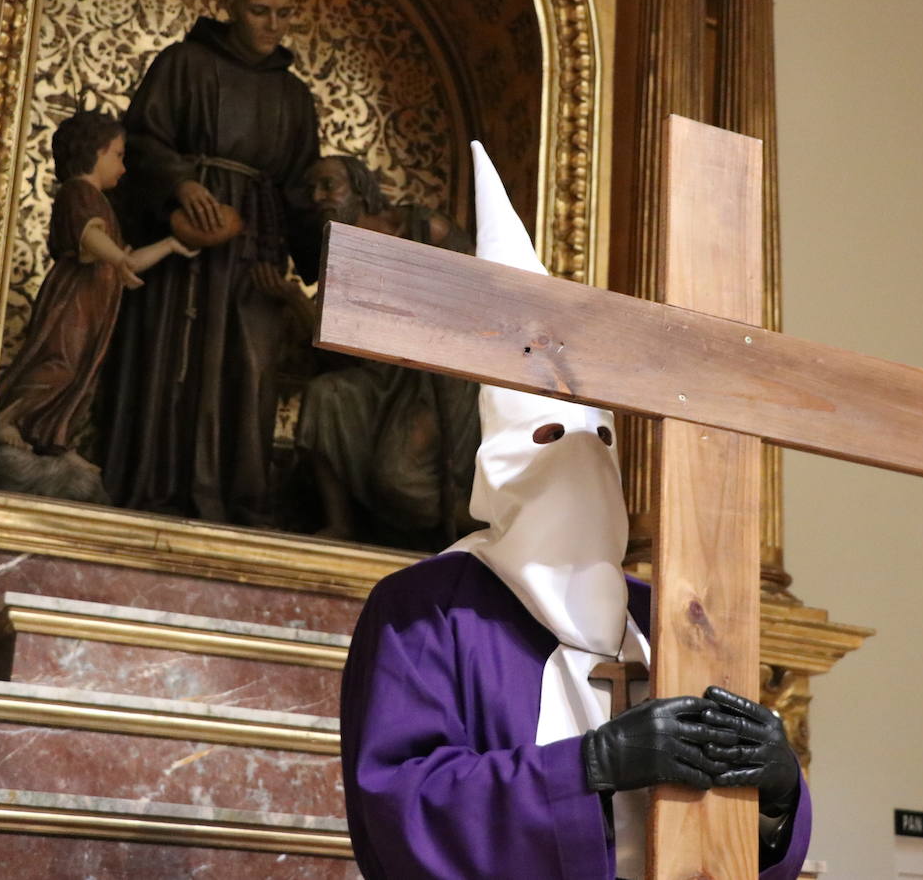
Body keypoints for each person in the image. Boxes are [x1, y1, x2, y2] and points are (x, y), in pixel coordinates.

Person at [338, 143, 810, 879]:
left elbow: (734, 846)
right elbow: (400, 808)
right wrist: (592, 764)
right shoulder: (425, 612)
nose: (580, 458)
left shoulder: (669, 618)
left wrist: (779, 795)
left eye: (602, 438)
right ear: (498, 455)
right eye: (551, 436)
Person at [98, 0, 320, 526]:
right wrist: (182, 182)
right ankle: (158, 489)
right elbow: (142, 140)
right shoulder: (182, 64)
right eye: (258, 11)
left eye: (283, 14)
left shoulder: (294, 97)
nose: (273, 25)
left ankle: (238, 501)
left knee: (249, 369)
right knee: (177, 360)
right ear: (227, 4)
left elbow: (301, 188)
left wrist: (323, 267)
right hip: (185, 242)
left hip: (256, 243)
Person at [0, 110, 196, 493]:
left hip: (98, 302)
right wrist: (117, 258)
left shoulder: (101, 201)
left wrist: (170, 245)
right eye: (118, 154)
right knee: (59, 363)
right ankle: (7, 418)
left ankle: (55, 440)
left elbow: (129, 260)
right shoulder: (79, 193)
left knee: (83, 374)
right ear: (94, 152)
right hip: (74, 299)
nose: (123, 164)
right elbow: (89, 237)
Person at [294, 155, 478, 547]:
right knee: (325, 396)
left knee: (398, 477)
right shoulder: (337, 249)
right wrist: (294, 302)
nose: (318, 196)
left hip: (439, 371)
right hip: (384, 374)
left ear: (360, 187)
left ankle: (476, 519)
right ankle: (340, 523)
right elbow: (342, 346)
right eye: (312, 189)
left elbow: (478, 295)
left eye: (329, 185)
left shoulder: (425, 227)